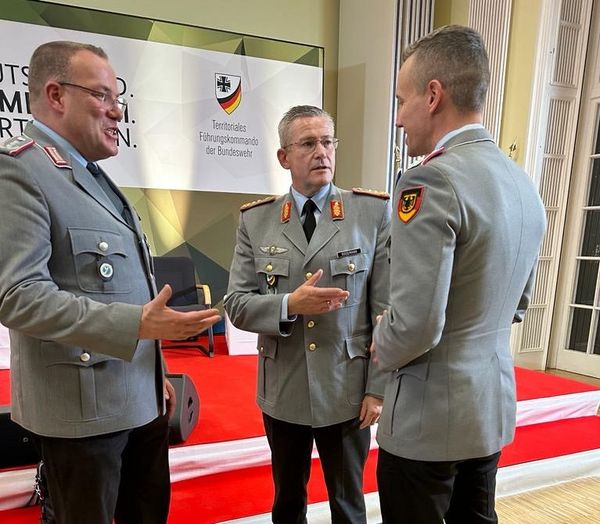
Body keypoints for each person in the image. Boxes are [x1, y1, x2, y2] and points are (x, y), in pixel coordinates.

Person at [0, 41, 221, 524]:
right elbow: (18, 297)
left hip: (140, 403)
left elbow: (119, 287)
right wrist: (138, 324)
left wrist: (154, 374)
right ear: (56, 95)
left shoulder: (93, 176)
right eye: (102, 95)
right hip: (81, 419)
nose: (118, 111)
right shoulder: (19, 169)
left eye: (116, 96)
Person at [371, 25, 546, 523]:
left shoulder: (430, 179)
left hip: (428, 421)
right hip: (487, 409)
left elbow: (418, 325)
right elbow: (519, 303)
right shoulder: (521, 181)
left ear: (433, 96)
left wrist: (383, 337)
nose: (399, 117)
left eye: (402, 100)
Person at [224, 105, 391, 523]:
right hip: (285, 387)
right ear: (284, 157)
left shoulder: (370, 213)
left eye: (327, 141)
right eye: (308, 143)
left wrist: (378, 388)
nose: (322, 152)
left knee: (348, 504)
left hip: (347, 387)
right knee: (287, 502)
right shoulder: (257, 220)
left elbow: (387, 310)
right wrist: (288, 305)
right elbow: (236, 304)